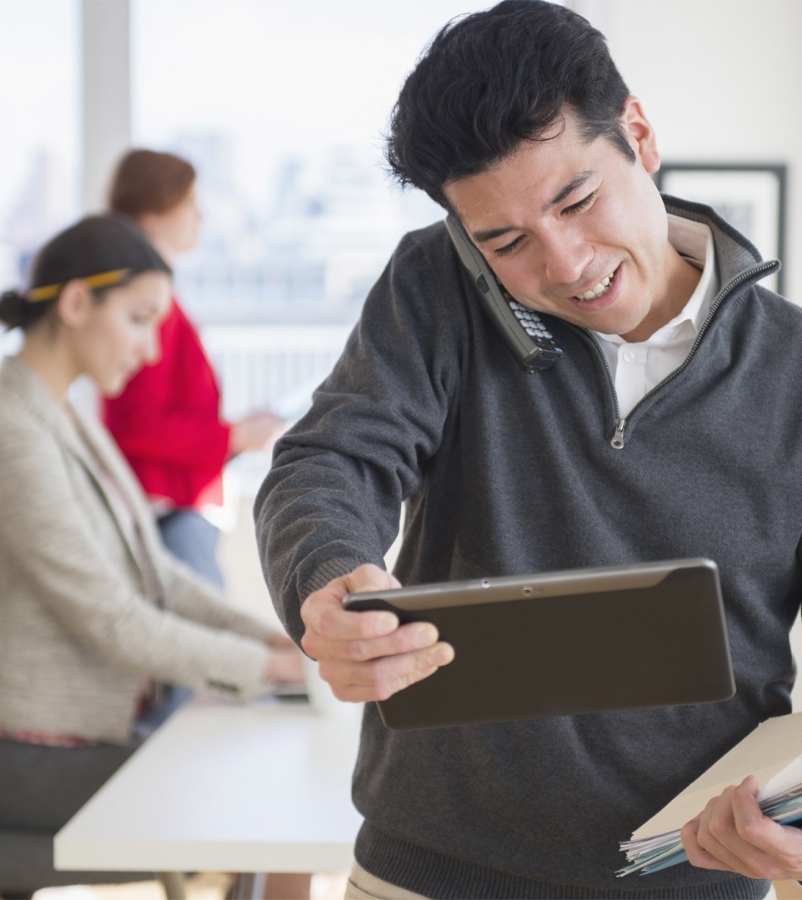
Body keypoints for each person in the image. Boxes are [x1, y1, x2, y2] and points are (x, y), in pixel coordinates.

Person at [255, 2, 802, 898]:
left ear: (638, 133)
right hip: (424, 874)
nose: (567, 265)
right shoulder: (435, 285)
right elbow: (331, 460)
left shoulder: (791, 371)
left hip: (689, 884)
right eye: (505, 242)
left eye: (577, 201)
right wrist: (326, 574)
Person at [0, 214, 302, 835]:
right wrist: (276, 669)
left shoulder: (64, 420)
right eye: (138, 320)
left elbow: (161, 579)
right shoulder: (11, 436)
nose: (151, 350)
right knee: (264, 789)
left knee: (267, 770)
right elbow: (112, 618)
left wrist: (275, 643)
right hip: (19, 756)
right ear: (77, 303)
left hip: (74, 738)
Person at [103, 149, 284, 592]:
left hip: (174, 508)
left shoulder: (152, 295)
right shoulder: (146, 303)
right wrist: (234, 436)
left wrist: (234, 434)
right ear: (152, 212)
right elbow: (139, 425)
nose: (199, 216)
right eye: (187, 203)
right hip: (168, 512)